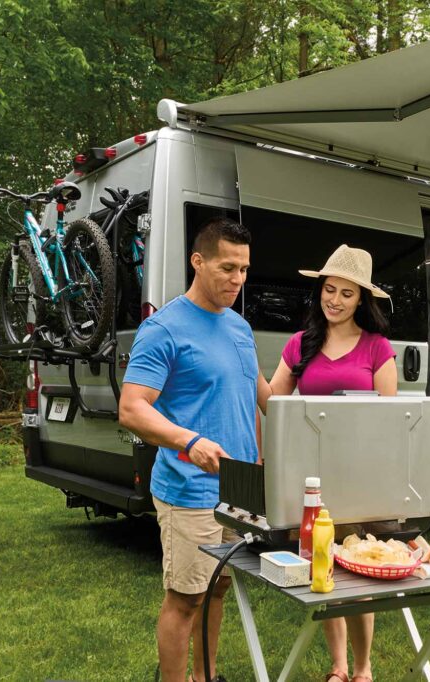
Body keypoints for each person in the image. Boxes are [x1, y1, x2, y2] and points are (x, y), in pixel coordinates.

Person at [119, 217, 268, 682]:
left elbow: (259, 397)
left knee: (219, 588)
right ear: (197, 261)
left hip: (239, 487)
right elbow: (132, 408)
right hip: (190, 488)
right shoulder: (163, 329)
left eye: (243, 270)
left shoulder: (240, 328)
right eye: (227, 268)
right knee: (185, 598)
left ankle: (205, 677)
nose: (237, 280)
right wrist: (190, 440)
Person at [265, 244, 396, 682]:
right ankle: (339, 666)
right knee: (326, 567)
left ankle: (363, 668)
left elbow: (389, 421)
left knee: (358, 574)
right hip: (312, 478)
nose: (334, 300)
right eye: (329, 289)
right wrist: (247, 371)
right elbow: (276, 407)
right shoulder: (301, 344)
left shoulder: (379, 348)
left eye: (346, 293)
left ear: (362, 300)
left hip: (361, 478)